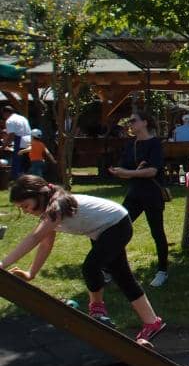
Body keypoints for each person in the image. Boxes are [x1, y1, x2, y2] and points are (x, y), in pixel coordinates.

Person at [0, 175, 166, 343]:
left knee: (91, 267)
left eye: (25, 206)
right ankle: (152, 322)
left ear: (39, 195)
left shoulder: (56, 207)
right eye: (21, 208)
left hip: (116, 225)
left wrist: (3, 264)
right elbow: (45, 244)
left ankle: (97, 311)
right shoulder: (49, 212)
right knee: (122, 276)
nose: (25, 211)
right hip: (104, 229)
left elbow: (34, 238)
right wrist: (31, 273)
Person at [108, 112, 169, 288]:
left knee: (157, 232)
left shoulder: (155, 144)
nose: (130, 123)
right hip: (134, 194)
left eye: (134, 120)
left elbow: (152, 171)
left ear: (145, 122)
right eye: (129, 121)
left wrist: (131, 172)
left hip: (152, 194)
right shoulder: (131, 145)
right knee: (117, 228)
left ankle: (162, 271)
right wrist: (119, 171)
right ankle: (111, 268)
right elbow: (125, 170)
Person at [2, 105, 31, 179]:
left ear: (6, 113)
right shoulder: (22, 118)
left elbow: (11, 136)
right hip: (29, 141)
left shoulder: (9, 121)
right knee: (26, 162)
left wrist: (3, 147)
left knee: (17, 163)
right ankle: (26, 178)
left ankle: (17, 179)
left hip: (20, 141)